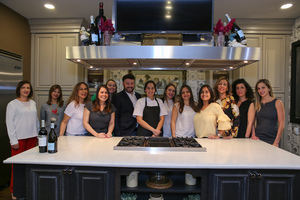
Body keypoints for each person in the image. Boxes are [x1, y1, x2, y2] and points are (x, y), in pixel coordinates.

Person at [6, 80, 39, 199]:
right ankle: (14, 191)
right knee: (17, 167)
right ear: (19, 89)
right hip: (19, 140)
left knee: (29, 166)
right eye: (23, 87)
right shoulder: (12, 104)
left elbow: (36, 121)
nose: (26, 90)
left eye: (28, 88)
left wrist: (38, 136)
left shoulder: (33, 103)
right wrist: (13, 141)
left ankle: (26, 188)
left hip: (32, 138)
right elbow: (9, 124)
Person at [252, 79, 285, 146]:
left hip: (272, 139)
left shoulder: (278, 103)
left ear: (269, 88)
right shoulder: (256, 103)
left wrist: (276, 141)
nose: (261, 90)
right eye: (258, 89)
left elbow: (281, 123)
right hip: (258, 138)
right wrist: (253, 134)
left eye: (263, 87)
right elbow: (252, 121)